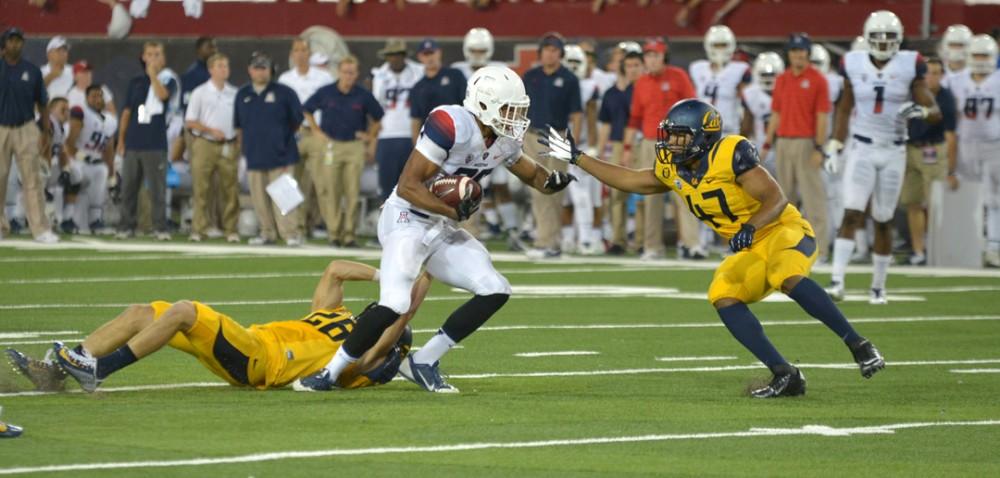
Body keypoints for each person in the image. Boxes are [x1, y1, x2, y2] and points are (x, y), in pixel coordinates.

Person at [538, 98, 885, 398]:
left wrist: (751, 226)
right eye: (669, 134)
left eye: (679, 136)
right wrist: (579, 158)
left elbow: (775, 198)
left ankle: (859, 345)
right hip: (748, 244)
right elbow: (631, 180)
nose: (671, 143)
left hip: (782, 229)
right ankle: (785, 375)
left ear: (703, 137)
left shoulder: (730, 152)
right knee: (723, 293)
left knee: (786, 275)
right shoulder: (674, 168)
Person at [300, 66, 575, 394]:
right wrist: (451, 209)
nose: (514, 117)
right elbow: (407, 186)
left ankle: (424, 361)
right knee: (395, 302)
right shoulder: (451, 124)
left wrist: (556, 178)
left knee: (495, 288)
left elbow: (534, 176)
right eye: (507, 109)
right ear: (484, 104)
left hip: (441, 225)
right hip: (406, 219)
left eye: (517, 110)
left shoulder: (504, 140)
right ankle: (328, 372)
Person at [8, 260, 428, 393]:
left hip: (261, 361)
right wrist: (388, 273)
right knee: (143, 312)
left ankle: (98, 371)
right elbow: (335, 270)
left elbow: (401, 316)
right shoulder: (339, 316)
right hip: (250, 344)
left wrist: (420, 275)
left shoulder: (360, 360)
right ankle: (56, 373)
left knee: (184, 310)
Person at [824, 10, 941, 304]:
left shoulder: (909, 64)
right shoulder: (852, 62)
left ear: (899, 39)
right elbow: (844, 105)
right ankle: (837, 280)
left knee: (884, 219)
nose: (884, 42)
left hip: (893, 149)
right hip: (862, 147)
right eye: (879, 37)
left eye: (890, 37)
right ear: (868, 38)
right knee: (851, 211)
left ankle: (878, 285)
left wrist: (922, 111)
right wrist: (836, 142)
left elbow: (934, 111)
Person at [625, 37, 697, 260]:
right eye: (648, 55)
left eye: (656, 55)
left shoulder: (679, 76)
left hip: (678, 142)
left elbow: (693, 107)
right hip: (650, 143)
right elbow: (635, 117)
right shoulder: (642, 83)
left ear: (664, 56)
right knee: (650, 196)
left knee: (685, 193)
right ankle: (652, 246)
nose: (652, 59)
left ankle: (691, 244)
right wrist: (628, 147)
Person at [763, 33, 832, 261]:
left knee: (814, 199)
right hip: (783, 141)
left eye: (801, 51)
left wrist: (819, 147)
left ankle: (820, 249)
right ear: (789, 53)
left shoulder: (818, 80)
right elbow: (776, 113)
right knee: (784, 200)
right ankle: (786, 247)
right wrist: (767, 141)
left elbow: (822, 116)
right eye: (794, 51)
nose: (798, 55)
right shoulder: (782, 79)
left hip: (805, 142)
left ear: (808, 53)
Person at [303, 55, 383, 247]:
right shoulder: (326, 92)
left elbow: (379, 117)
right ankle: (334, 233)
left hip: (354, 147)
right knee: (331, 191)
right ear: (339, 72)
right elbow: (306, 109)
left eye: (352, 73)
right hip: (331, 146)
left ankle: (349, 235)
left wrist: (369, 135)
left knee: (352, 193)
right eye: (345, 72)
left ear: (356, 74)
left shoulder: (362, 95)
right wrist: (315, 130)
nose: (348, 76)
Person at [234, 51, 304, 246]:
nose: (260, 72)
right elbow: (239, 127)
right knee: (259, 199)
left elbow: (296, 122)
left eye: (264, 67)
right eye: (256, 67)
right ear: (249, 70)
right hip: (254, 155)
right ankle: (267, 233)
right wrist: (243, 153)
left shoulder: (285, 93)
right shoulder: (243, 94)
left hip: (282, 155)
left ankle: (290, 233)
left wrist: (282, 142)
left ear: (271, 70)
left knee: (284, 197)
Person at [522, 33, 582, 259]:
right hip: (532, 134)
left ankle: (549, 241)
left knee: (553, 190)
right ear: (541, 52)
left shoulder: (569, 79)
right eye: (547, 49)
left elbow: (576, 113)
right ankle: (545, 239)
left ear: (561, 53)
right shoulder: (530, 76)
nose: (550, 53)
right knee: (536, 190)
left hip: (558, 135)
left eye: (555, 50)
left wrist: (573, 140)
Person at [0, 27, 58, 243]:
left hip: (26, 127)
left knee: (32, 179)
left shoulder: (32, 71)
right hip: (1, 128)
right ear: (4, 44)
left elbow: (42, 103)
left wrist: (45, 130)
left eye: (18, 41)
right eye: (11, 41)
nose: (15, 45)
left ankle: (40, 229)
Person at [115, 41, 177, 241]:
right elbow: (127, 112)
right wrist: (121, 140)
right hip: (134, 141)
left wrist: (152, 75)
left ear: (164, 58)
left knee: (157, 189)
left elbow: (162, 96)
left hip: (155, 143)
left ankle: (160, 227)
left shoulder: (168, 80)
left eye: (158, 54)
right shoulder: (135, 82)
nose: (154, 58)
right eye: (150, 54)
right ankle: (126, 226)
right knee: (129, 188)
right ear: (143, 57)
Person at [948, 35, 1000, 266]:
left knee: (994, 199)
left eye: (984, 56)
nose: (980, 60)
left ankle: (994, 246)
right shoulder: (957, 81)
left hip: (994, 145)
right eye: (976, 55)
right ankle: (971, 246)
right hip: (965, 145)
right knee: (967, 197)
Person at [901, 57, 958, 266]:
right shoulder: (913, 93)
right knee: (912, 203)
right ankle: (919, 251)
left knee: (935, 204)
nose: (930, 77)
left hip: (934, 149)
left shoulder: (946, 98)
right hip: (911, 149)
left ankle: (938, 250)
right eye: (927, 72)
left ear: (942, 75)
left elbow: (951, 135)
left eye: (935, 72)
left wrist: (952, 169)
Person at [277, 38, 334, 237]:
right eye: (297, 50)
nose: (300, 54)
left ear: (309, 53)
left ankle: (328, 227)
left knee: (323, 182)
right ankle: (297, 227)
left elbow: (331, 105)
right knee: (295, 182)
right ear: (292, 54)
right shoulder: (285, 79)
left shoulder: (324, 78)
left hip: (316, 132)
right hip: (294, 133)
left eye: (304, 50)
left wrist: (324, 131)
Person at [184, 52, 240, 243]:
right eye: (220, 66)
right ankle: (198, 229)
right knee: (201, 188)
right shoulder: (200, 92)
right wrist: (210, 130)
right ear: (210, 70)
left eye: (226, 66)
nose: (225, 69)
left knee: (230, 189)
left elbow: (239, 122)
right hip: (205, 144)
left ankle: (230, 229)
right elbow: (190, 121)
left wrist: (238, 142)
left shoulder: (234, 92)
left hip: (228, 145)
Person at [596, 48, 643, 255]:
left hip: (639, 143)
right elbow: (605, 123)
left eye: (635, 65)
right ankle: (618, 239)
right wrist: (600, 150)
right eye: (628, 65)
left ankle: (642, 240)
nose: (631, 69)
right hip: (616, 144)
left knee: (643, 192)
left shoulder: (642, 89)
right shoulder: (611, 93)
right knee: (616, 194)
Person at [371, 38, 424, 201]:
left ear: (404, 55)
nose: (395, 58)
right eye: (391, 55)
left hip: (413, 136)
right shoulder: (379, 76)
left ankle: (413, 224)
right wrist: (372, 139)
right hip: (386, 136)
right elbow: (375, 109)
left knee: (413, 185)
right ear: (386, 57)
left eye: (398, 54)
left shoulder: (418, 72)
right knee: (387, 187)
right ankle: (388, 224)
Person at [65, 85, 117, 235]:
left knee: (102, 172)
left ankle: (95, 220)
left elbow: (109, 151)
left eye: (100, 96)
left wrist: (112, 175)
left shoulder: (110, 121)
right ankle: (67, 219)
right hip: (77, 159)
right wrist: (80, 155)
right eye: (93, 96)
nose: (97, 99)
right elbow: (69, 142)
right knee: (76, 175)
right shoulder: (80, 112)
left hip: (95, 162)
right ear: (86, 98)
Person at [410, 38, 467, 143]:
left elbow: (467, 104)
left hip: (458, 135)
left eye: (432, 53)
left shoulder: (455, 75)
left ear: (439, 53)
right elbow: (416, 120)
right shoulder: (417, 88)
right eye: (426, 54)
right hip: (431, 140)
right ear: (420, 57)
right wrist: (416, 146)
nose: (430, 57)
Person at [740, 51, 783, 175]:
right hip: (759, 145)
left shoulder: (788, 90)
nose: (768, 78)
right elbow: (747, 124)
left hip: (781, 145)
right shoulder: (751, 94)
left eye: (772, 74)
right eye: (764, 74)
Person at [41, 35, 72, 101]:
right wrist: (51, 76)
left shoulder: (73, 71)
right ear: (49, 54)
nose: (63, 53)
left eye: (65, 50)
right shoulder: (40, 72)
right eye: (59, 50)